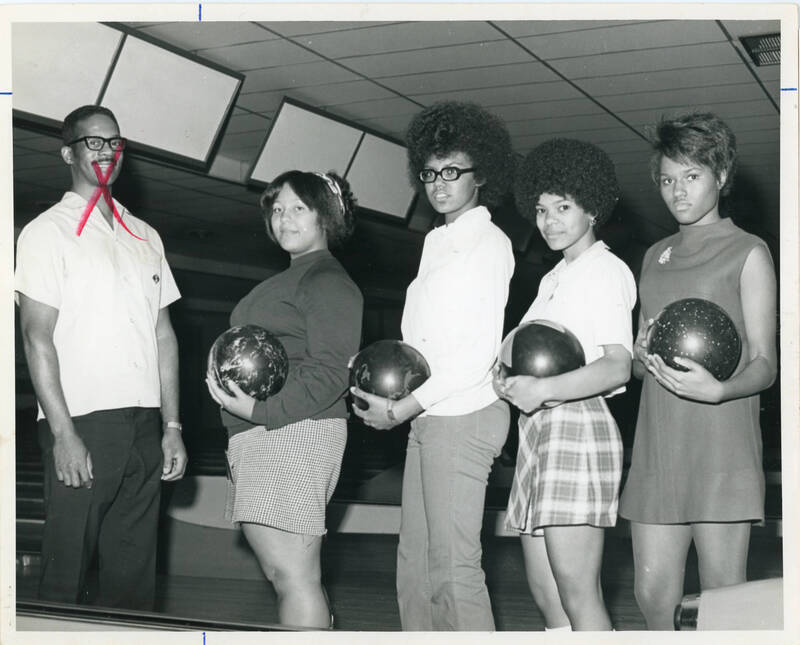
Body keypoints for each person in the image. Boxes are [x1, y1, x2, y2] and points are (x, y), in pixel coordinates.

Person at [15, 104, 187, 609]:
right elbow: (36, 338)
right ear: (68, 152)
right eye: (94, 142)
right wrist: (64, 433)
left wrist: (172, 426)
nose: (107, 151)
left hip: (145, 424)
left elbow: (164, 336)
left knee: (134, 578)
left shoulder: (145, 236)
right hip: (84, 423)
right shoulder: (45, 233)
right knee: (66, 573)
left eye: (114, 142)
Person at [351, 101, 515, 631]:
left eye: (452, 172)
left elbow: (472, 354)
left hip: (462, 414)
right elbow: (421, 342)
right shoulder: (436, 242)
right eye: (430, 173)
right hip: (430, 415)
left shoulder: (488, 244)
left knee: (451, 569)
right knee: (415, 565)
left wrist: (403, 409)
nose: (439, 184)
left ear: (480, 174)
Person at [618, 112, 777, 629]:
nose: (677, 191)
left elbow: (766, 364)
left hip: (721, 442)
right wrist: (642, 357)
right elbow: (646, 369)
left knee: (722, 601)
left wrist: (719, 390)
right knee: (652, 592)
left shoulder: (749, 251)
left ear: (721, 177)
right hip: (659, 444)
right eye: (667, 179)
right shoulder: (653, 256)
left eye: (691, 176)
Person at [205, 170, 363, 629]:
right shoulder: (293, 278)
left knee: (293, 574)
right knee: (285, 573)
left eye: (298, 208)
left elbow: (332, 372)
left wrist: (258, 411)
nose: (284, 219)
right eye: (277, 210)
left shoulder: (329, 280)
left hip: (293, 432)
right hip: (267, 434)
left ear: (326, 216)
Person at [495, 138, 636, 631]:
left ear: (591, 208)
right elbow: (526, 358)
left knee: (577, 590)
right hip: (538, 431)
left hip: (578, 428)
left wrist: (543, 391)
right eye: (541, 209)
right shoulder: (555, 276)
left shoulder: (606, 270)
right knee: (545, 591)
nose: (549, 220)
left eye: (563, 207)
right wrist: (507, 379)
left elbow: (619, 366)